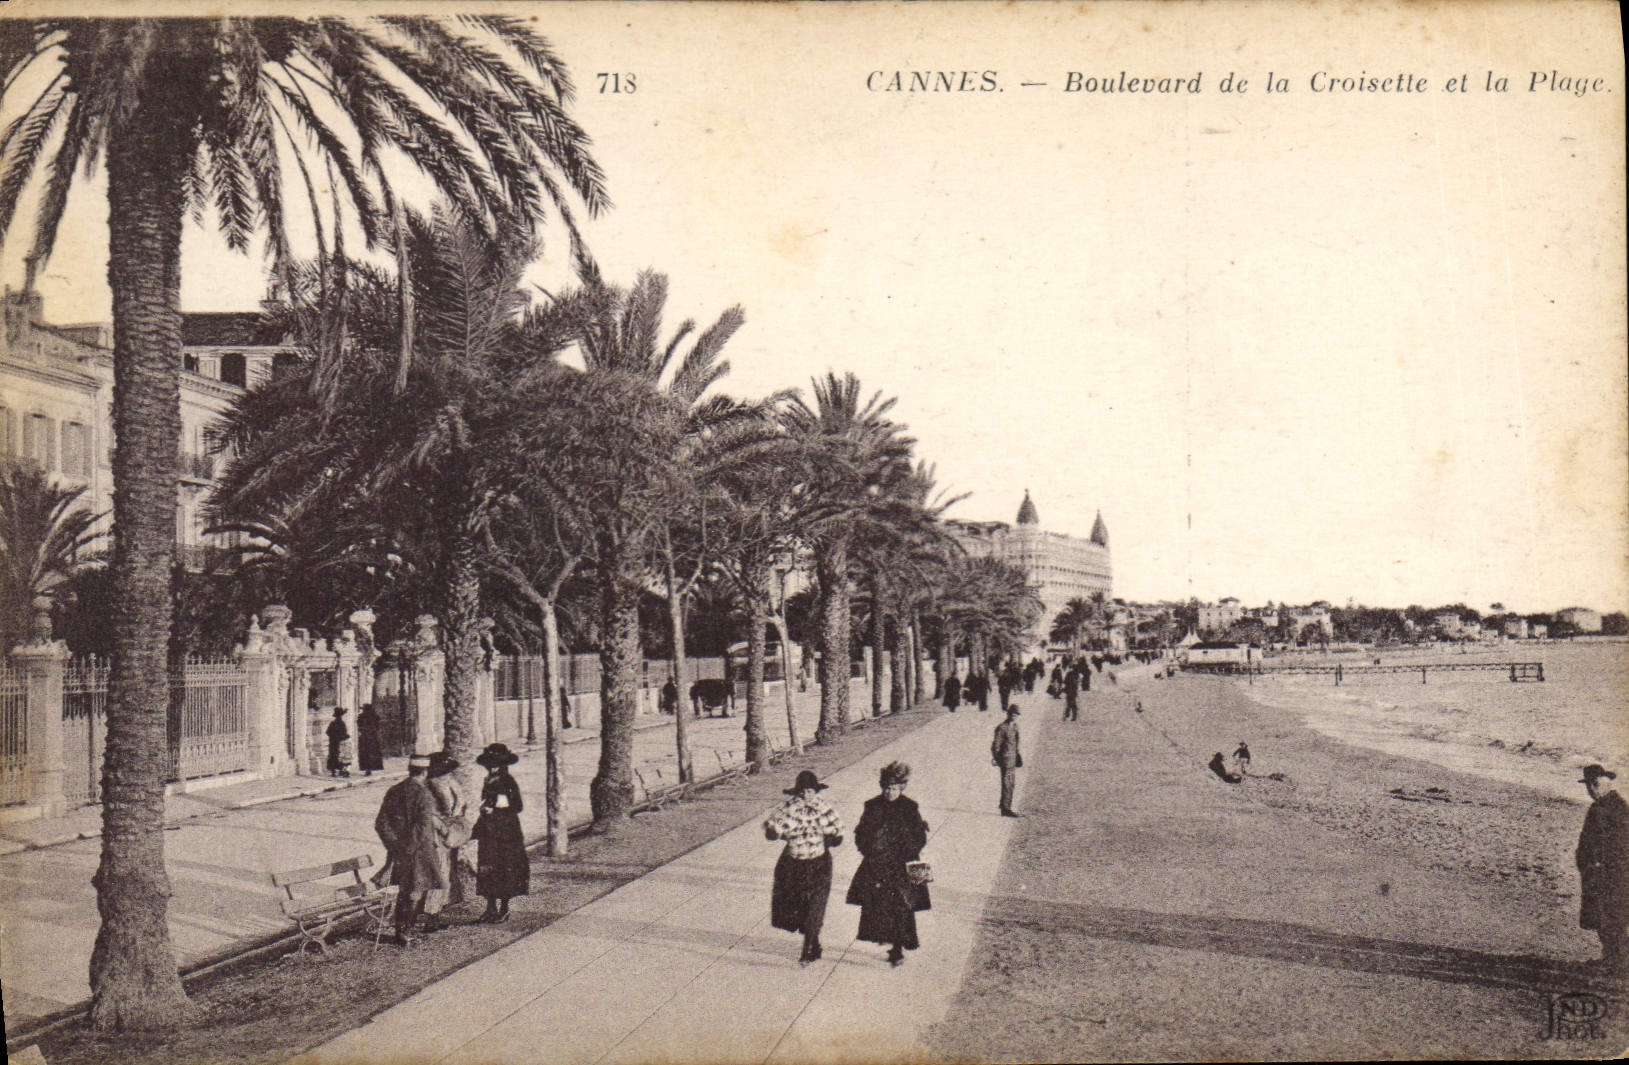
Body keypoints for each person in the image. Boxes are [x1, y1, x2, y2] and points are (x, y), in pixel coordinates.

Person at [847, 762, 930, 967]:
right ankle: (889, 941)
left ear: (901, 787)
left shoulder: (910, 807)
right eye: (886, 788)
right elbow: (861, 833)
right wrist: (868, 851)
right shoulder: (872, 805)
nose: (889, 792)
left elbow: (920, 835)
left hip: (902, 865)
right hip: (878, 865)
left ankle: (898, 948)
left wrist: (909, 851)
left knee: (902, 906)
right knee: (880, 905)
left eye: (893, 788)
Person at [764, 769, 844, 964]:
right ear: (797, 792)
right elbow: (771, 830)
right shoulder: (788, 809)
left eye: (810, 791)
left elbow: (838, 832)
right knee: (799, 906)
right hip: (794, 864)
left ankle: (807, 949)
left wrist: (831, 838)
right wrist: (776, 832)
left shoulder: (824, 808)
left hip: (819, 864)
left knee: (816, 906)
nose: (807, 795)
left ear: (816, 792)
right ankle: (814, 943)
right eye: (803, 792)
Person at [374, 754, 445, 945]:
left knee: (405, 890)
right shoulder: (424, 794)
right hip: (419, 851)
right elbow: (422, 826)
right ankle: (404, 932)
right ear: (425, 772)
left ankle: (403, 931)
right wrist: (409, 847)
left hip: (399, 850)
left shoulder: (394, 790)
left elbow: (381, 823)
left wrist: (394, 845)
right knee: (416, 890)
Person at [1576, 763, 1629, 973]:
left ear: (1607, 783)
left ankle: (1617, 962)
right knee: (1602, 915)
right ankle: (1611, 958)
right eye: (1589, 785)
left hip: (1611, 873)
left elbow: (1620, 843)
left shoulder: (1617, 808)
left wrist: (1602, 864)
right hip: (1597, 872)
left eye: (1595, 784)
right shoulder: (1601, 806)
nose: (1591, 789)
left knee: (1612, 916)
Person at [472, 743, 529, 924]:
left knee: (504, 867)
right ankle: (490, 907)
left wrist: (496, 809)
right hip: (489, 830)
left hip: (506, 832)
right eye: (490, 765)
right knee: (487, 867)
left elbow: (518, 806)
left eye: (496, 765)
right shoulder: (489, 780)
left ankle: (504, 908)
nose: (493, 768)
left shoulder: (508, 781)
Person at [423, 751, 468, 930]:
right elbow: (430, 815)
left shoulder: (449, 783)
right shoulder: (430, 788)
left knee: (446, 872)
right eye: (445, 772)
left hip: (449, 835)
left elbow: (460, 804)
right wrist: (445, 827)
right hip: (436, 837)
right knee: (439, 874)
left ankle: (436, 912)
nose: (448, 775)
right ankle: (431, 916)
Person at [991, 706, 1023, 816]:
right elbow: (995, 745)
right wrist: (996, 758)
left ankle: (1004, 805)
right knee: (1008, 784)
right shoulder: (1002, 728)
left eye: (1016, 715)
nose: (1014, 717)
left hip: (1013, 759)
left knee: (1010, 783)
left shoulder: (1015, 726)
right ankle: (1006, 809)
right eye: (1012, 715)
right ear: (1008, 714)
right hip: (1006, 760)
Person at [356, 703, 384, 776]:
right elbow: (378, 726)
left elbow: (359, 726)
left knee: (365, 753)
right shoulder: (374, 716)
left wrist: (362, 731)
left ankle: (367, 769)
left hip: (365, 738)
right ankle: (370, 768)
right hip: (373, 737)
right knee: (372, 753)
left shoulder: (361, 716)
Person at [325, 707, 351, 777]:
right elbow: (344, 734)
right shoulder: (342, 723)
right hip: (340, 743)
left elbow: (327, 732)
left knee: (333, 756)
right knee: (340, 756)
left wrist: (333, 736)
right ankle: (341, 770)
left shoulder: (332, 723)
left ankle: (333, 771)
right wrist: (346, 736)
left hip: (333, 742)